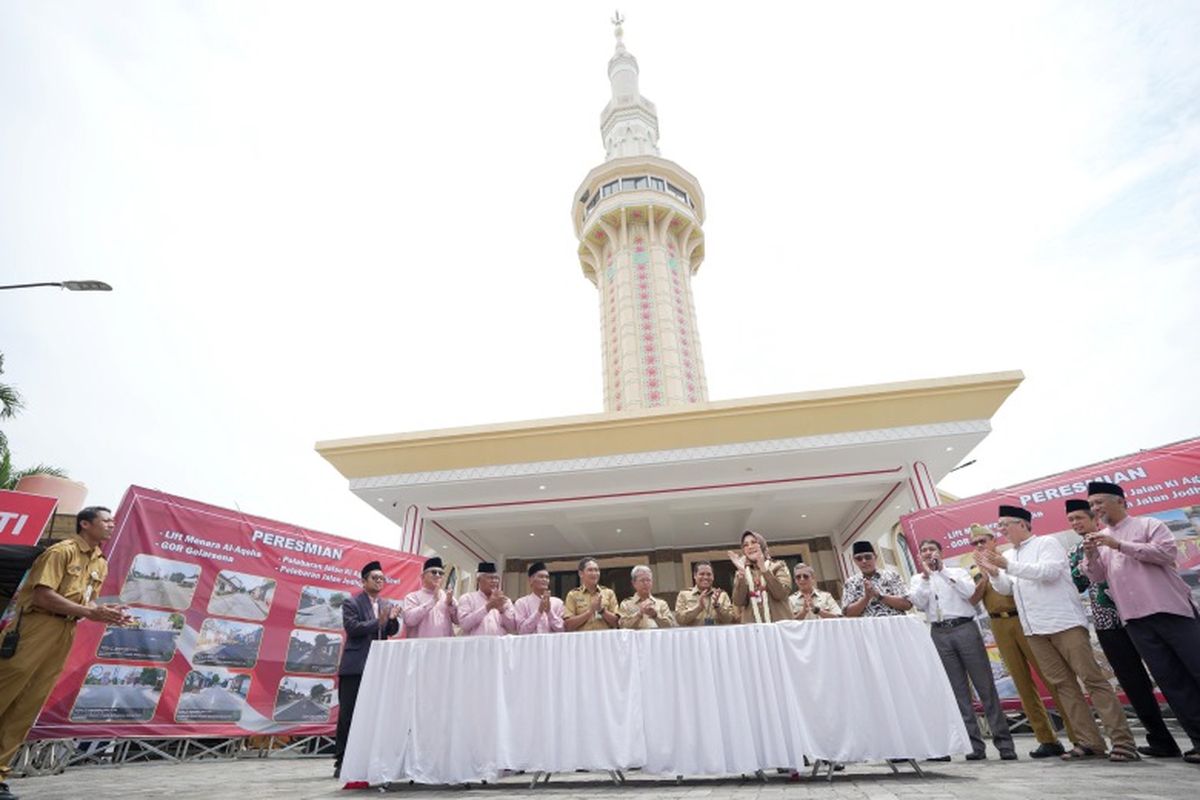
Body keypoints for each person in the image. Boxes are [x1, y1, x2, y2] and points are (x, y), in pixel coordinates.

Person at [977, 504, 1138, 762]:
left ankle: (1122, 741)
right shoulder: (1012, 554)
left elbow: (1049, 573)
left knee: (1092, 679)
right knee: (1063, 686)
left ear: (1022, 524)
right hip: (1035, 629)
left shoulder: (1046, 543)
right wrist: (996, 573)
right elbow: (1008, 590)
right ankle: (1089, 742)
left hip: (1064, 623)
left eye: (1006, 524)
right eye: (1001, 525)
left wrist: (1007, 564)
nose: (1002, 530)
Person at [0, 507, 130, 800]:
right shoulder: (62, 551)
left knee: (26, 705)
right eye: (106, 520)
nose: (111, 525)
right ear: (85, 524)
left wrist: (104, 612)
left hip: (65, 631)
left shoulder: (100, 562)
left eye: (113, 521)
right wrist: (90, 612)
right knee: (5, 693)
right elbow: (43, 595)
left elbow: (85, 601)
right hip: (34, 627)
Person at [1084, 481, 1200, 764]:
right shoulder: (1101, 538)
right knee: (1171, 681)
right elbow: (1098, 577)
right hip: (1135, 620)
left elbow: (1166, 554)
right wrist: (1091, 554)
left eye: (1100, 502)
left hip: (1171, 611)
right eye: (1092, 505)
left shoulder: (1149, 525)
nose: (1096, 509)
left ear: (1121, 502)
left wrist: (1119, 545)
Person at [1065, 498, 1181, 758]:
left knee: (1169, 674)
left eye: (1079, 518)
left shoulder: (1119, 534)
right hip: (1107, 622)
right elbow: (1079, 582)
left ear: (1094, 517)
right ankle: (1161, 740)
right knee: (1133, 683)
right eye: (1071, 520)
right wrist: (1088, 553)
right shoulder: (1077, 550)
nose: (1075, 523)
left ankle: (1193, 733)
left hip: (1141, 613)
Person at [968, 524, 1074, 758]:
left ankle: (1077, 734)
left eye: (983, 541)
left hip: (1022, 618)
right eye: (974, 543)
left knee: (1051, 677)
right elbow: (973, 600)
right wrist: (983, 576)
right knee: (1022, 683)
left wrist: (995, 569)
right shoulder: (974, 570)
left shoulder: (1009, 558)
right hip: (998, 624)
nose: (979, 546)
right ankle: (1046, 738)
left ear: (993, 540)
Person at [909, 539, 1015, 761]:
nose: (928, 553)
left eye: (932, 549)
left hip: (964, 628)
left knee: (985, 687)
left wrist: (943, 573)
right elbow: (918, 603)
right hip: (939, 633)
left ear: (940, 552)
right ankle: (974, 746)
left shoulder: (957, 571)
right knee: (958, 693)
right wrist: (928, 577)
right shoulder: (918, 579)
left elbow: (970, 594)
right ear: (919, 557)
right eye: (924, 551)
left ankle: (1004, 744)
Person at [334, 560, 401, 778]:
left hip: (378, 666)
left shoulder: (386, 604)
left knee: (373, 714)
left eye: (382, 578)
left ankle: (369, 759)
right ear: (364, 581)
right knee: (348, 715)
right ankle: (342, 761)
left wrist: (391, 620)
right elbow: (352, 628)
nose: (380, 581)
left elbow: (390, 630)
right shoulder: (351, 603)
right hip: (356, 667)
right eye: (375, 578)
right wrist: (378, 622)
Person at [729, 530, 791, 624]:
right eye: (745, 545)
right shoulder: (742, 572)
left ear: (762, 545)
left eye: (753, 542)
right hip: (754, 631)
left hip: (778, 629)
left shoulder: (778, 566)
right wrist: (742, 575)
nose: (750, 547)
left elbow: (781, 594)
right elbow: (738, 602)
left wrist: (764, 569)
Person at [841, 541, 911, 617]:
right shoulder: (850, 583)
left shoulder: (892, 576)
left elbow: (907, 604)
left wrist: (879, 595)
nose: (864, 561)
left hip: (895, 625)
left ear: (875, 557)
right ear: (854, 561)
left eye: (868, 557)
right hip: (868, 627)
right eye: (859, 558)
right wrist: (866, 598)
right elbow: (848, 614)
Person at [402, 556, 458, 638]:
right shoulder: (412, 597)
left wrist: (450, 605)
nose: (438, 575)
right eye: (434, 572)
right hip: (421, 648)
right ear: (423, 577)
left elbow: (458, 621)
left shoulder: (448, 597)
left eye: (441, 573)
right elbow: (409, 620)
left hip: (444, 647)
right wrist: (432, 601)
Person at [457, 562, 517, 636]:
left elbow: (513, 627)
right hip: (476, 645)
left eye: (496, 578)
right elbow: (464, 625)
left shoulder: (505, 601)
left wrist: (502, 611)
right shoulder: (467, 598)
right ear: (479, 579)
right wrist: (487, 607)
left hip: (498, 645)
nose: (494, 581)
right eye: (490, 578)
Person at [563, 557, 618, 631]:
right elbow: (568, 625)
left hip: (605, 639)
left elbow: (617, 623)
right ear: (581, 574)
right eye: (590, 570)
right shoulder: (573, 595)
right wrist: (590, 612)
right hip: (583, 640)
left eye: (597, 570)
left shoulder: (608, 593)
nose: (594, 573)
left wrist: (601, 610)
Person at [675, 560, 736, 626]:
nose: (706, 577)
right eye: (702, 574)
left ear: (713, 577)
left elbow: (729, 620)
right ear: (695, 576)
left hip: (716, 635)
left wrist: (717, 606)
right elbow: (680, 620)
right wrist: (698, 608)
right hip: (695, 635)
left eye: (709, 574)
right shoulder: (684, 595)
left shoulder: (722, 595)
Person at [514, 562, 565, 634]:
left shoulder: (558, 603)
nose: (545, 580)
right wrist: (539, 612)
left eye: (547, 577)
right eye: (541, 577)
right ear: (531, 580)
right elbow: (522, 631)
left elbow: (562, 629)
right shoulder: (521, 603)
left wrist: (549, 612)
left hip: (552, 644)